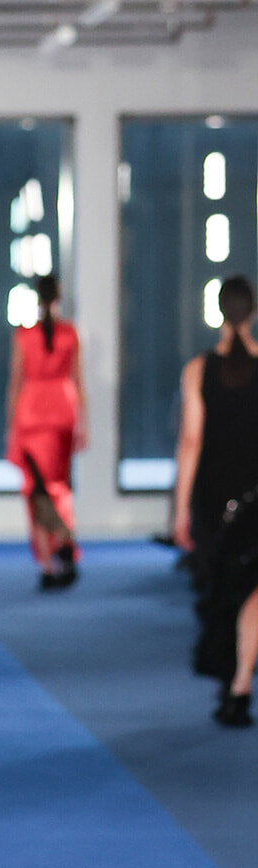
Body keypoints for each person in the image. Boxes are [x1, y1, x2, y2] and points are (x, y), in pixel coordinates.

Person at [174, 274, 258, 727]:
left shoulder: (198, 369)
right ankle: (241, 682)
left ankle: (232, 679)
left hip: (214, 496)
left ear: (220, 314)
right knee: (252, 593)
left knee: (223, 589)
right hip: (255, 495)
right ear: (253, 313)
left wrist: (180, 510)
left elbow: (191, 441)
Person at [6, 273, 87, 589]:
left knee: (36, 490)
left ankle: (47, 561)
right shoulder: (70, 334)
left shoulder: (24, 336)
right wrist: (82, 423)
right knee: (57, 488)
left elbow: (15, 382)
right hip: (62, 414)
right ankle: (63, 543)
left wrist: (11, 427)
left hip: (31, 417)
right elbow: (78, 382)